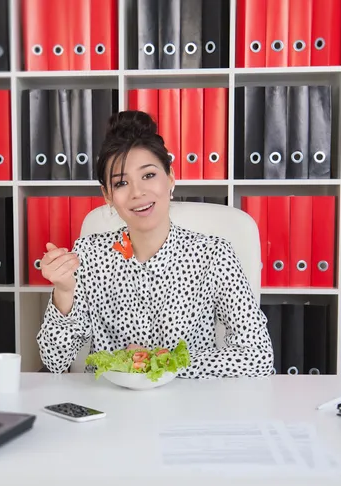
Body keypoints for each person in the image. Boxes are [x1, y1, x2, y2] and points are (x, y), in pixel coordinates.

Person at [36, 110, 274, 378]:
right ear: (108, 195)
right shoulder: (89, 253)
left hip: (187, 404)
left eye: (148, 175)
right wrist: (64, 291)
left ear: (170, 178)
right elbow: (55, 361)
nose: (138, 192)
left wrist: (158, 363)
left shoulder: (213, 254)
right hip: (111, 406)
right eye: (122, 183)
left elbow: (258, 356)